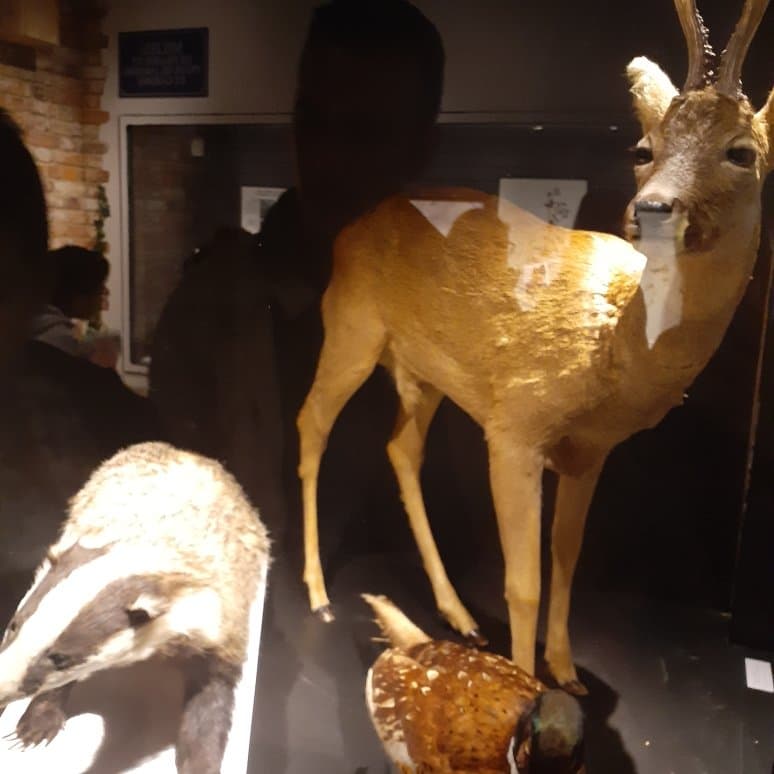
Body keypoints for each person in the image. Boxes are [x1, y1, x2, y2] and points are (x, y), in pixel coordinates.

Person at [149, 0, 447, 552]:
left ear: (421, 149)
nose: (325, 157)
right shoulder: (212, 308)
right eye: (312, 121)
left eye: (363, 132)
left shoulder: (462, 319)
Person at [30, 245, 120, 369]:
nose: (106, 292)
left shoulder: (29, 325)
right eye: (100, 286)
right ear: (79, 295)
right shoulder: (59, 342)